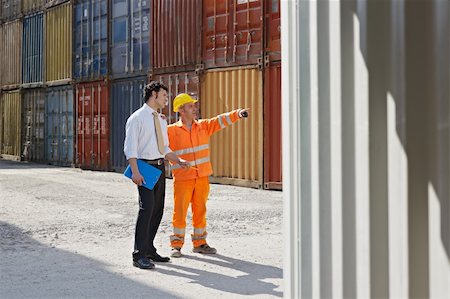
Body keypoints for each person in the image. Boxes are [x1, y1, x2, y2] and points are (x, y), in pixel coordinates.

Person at [167, 93, 249, 257]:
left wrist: (238, 113)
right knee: (180, 211)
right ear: (181, 110)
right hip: (183, 178)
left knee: (200, 210)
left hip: (202, 177)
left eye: (194, 105)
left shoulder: (203, 126)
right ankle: (176, 245)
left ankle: (200, 243)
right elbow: (163, 150)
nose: (194, 108)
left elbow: (219, 120)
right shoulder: (171, 131)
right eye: (190, 106)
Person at [124, 81, 190, 269]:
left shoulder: (161, 120)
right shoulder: (137, 118)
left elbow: (165, 148)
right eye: (164, 95)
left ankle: (149, 249)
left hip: (160, 168)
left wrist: (178, 161)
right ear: (153, 94)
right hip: (144, 168)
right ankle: (138, 255)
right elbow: (130, 148)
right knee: (146, 209)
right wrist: (135, 172)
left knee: (157, 209)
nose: (166, 99)